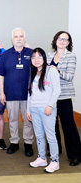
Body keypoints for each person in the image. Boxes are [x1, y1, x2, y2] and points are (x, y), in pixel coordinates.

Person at [0, 28, 34, 157]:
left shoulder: (32, 53)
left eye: (21, 36)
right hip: (10, 94)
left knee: (28, 120)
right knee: (12, 119)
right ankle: (14, 142)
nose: (18, 39)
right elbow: (1, 76)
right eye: (16, 37)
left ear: (24, 38)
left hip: (28, 95)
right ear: (12, 39)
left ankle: (28, 143)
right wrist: (1, 93)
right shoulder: (5, 55)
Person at [47, 31, 81, 166]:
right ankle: (56, 149)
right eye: (60, 39)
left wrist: (57, 71)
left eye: (65, 40)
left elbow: (69, 76)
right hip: (50, 96)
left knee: (68, 125)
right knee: (52, 125)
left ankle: (75, 154)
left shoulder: (71, 56)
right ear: (56, 40)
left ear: (68, 43)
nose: (62, 41)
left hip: (64, 95)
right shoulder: (50, 55)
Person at [27, 48, 61, 173]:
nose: (36, 60)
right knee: (39, 135)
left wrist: (50, 105)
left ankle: (55, 161)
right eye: (33, 57)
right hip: (34, 108)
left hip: (47, 109)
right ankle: (42, 158)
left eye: (39, 57)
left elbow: (57, 90)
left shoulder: (51, 71)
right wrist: (28, 110)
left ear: (44, 58)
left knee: (50, 135)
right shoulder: (33, 73)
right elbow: (29, 93)